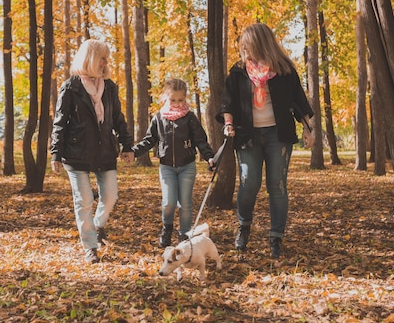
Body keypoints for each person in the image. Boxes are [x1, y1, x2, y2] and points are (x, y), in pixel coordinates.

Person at [217, 23, 314, 259]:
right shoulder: (239, 71)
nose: (244, 51)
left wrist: (309, 130)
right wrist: (228, 124)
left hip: (277, 136)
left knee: (277, 187)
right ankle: (244, 226)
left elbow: (299, 101)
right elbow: (227, 103)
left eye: (247, 46)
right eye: (243, 47)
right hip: (247, 135)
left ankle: (276, 237)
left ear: (260, 44)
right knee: (249, 182)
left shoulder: (284, 70)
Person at [51, 39, 134, 264]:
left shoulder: (110, 87)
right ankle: (90, 246)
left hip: (105, 150)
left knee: (110, 197)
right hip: (76, 153)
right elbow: (59, 122)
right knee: (85, 200)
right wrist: (56, 153)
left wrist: (127, 145)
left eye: (106, 58)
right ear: (89, 58)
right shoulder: (71, 87)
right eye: (102, 58)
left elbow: (117, 118)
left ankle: (97, 225)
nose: (105, 62)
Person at [132, 78, 215, 247]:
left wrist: (209, 156)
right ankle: (167, 227)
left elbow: (201, 140)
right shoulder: (159, 118)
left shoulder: (190, 118)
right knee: (169, 203)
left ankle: (185, 236)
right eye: (173, 100)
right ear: (166, 98)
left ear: (185, 99)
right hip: (167, 167)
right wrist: (133, 152)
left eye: (180, 100)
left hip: (187, 166)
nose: (177, 104)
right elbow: (149, 140)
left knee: (185, 203)